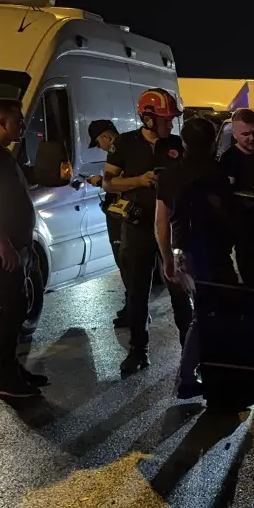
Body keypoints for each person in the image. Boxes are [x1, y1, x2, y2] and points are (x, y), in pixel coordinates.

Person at [0, 99, 70, 398]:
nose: (23, 125)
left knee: (14, 307)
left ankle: (11, 368)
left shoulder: (2, 155)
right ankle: (5, 379)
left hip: (14, 243)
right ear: (2, 122)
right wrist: (3, 244)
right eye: (18, 120)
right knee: (10, 307)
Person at [103, 88, 192, 374]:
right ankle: (138, 350)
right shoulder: (125, 143)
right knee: (137, 293)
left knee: (179, 291)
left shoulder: (177, 144)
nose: (171, 124)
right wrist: (139, 181)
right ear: (149, 119)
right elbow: (108, 182)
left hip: (171, 229)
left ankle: (190, 352)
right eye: (166, 119)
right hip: (138, 227)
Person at [155, 116, 238, 400]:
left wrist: (167, 258)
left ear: (184, 142)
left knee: (204, 313)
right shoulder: (216, 173)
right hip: (211, 253)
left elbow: (161, 222)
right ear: (212, 143)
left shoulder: (170, 174)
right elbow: (226, 214)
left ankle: (203, 374)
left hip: (184, 252)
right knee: (210, 314)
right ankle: (191, 377)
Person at [84, 119, 129, 326]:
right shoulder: (130, 148)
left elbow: (116, 183)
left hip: (122, 215)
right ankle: (132, 306)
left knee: (125, 262)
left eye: (98, 142)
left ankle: (134, 309)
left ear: (106, 136)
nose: (100, 147)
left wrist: (99, 181)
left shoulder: (118, 151)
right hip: (125, 214)